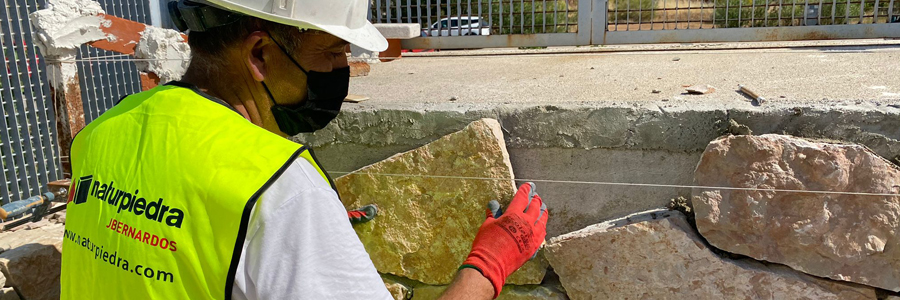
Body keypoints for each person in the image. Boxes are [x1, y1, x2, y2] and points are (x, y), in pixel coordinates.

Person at [59, 0, 548, 299]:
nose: (342, 68)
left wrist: (303, 240)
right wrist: (490, 264)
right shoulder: (278, 186)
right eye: (332, 53)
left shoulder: (103, 131)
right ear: (259, 54)